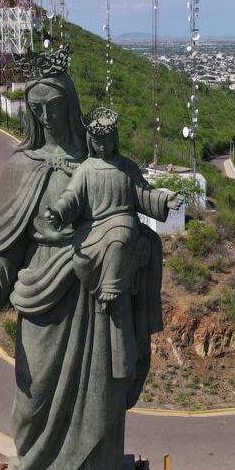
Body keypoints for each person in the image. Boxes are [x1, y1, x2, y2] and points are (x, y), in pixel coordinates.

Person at [0, 47, 170, 470]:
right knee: (33, 403)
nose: (46, 118)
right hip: (43, 309)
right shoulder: (22, 169)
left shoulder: (105, 165)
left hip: (100, 306)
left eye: (54, 107)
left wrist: (135, 248)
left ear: (72, 106)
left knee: (101, 407)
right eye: (36, 109)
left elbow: (137, 224)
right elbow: (1, 253)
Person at [45, 107, 182, 315]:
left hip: (122, 222)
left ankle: (111, 285)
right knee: (80, 260)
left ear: (115, 140)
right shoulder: (86, 169)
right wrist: (58, 212)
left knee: (119, 240)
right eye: (97, 141)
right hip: (93, 228)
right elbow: (71, 196)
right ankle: (124, 265)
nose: (102, 146)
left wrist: (164, 200)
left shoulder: (127, 167)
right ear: (90, 141)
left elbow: (143, 193)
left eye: (107, 141)